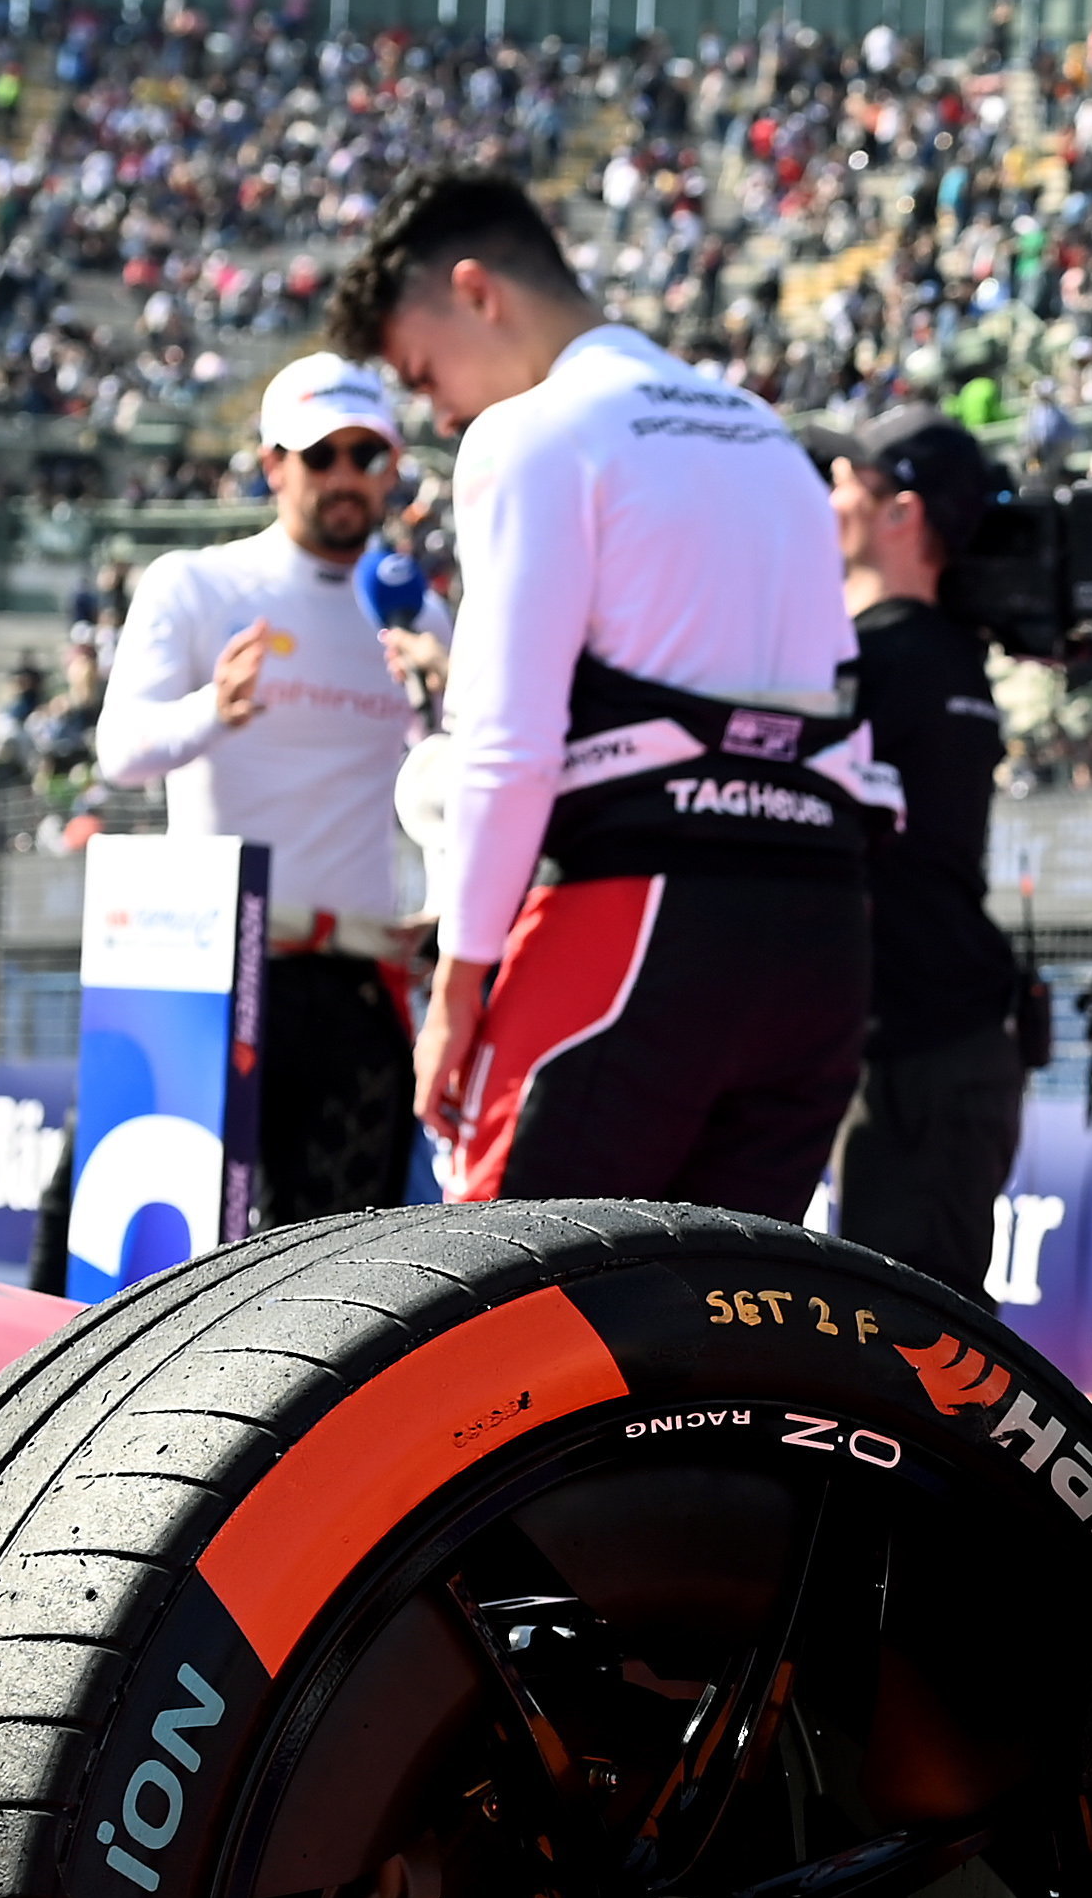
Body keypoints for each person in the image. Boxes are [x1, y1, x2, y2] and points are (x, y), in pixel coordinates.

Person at [326, 168, 884, 1210]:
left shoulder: (531, 432)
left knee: (494, 1313)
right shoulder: (768, 435)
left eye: (422, 367)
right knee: (723, 1331)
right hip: (822, 931)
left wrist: (458, 982)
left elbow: (508, 741)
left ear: (476, 292)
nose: (435, 407)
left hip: (632, 920)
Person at [86, 350, 438, 1222]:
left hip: (356, 983)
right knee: (151, 1258)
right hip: (211, 976)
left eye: (369, 455)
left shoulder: (417, 613)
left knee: (327, 1280)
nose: (347, 476)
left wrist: (449, 903)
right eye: (321, 455)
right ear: (274, 463)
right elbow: (119, 750)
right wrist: (213, 710)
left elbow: (457, 785)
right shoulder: (198, 582)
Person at [810, 406, 1029, 1293]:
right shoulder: (948, 657)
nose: (826, 499)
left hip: (921, 1051)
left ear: (900, 512)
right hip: (930, 1038)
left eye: (846, 481)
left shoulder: (875, 660)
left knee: (910, 1343)